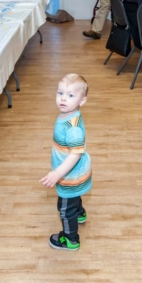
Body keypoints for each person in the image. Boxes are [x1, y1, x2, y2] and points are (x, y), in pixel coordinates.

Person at [40, 74, 92, 251]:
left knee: (64, 208)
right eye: (60, 92)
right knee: (73, 199)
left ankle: (71, 239)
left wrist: (57, 173)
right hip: (75, 174)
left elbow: (75, 154)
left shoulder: (73, 128)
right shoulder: (68, 114)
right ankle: (79, 213)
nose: (63, 98)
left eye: (70, 95)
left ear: (82, 100)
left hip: (70, 175)